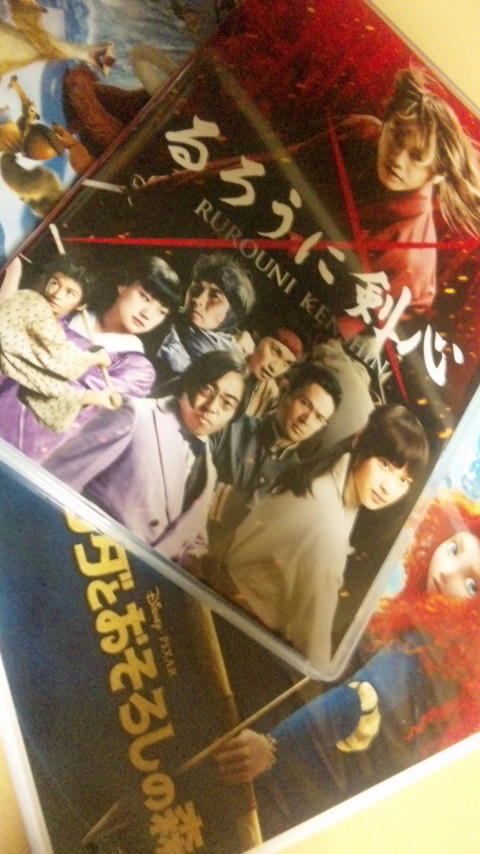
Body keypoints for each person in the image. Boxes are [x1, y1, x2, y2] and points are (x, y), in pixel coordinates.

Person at [214, 492, 480, 835]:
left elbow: (357, 699)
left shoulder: (421, 652)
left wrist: (273, 747)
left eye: (472, 585)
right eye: (454, 549)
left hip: (296, 776)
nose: (445, 572)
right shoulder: (427, 644)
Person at [223, 404, 429, 668]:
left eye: (403, 480)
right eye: (385, 465)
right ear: (360, 442)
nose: (389, 487)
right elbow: (313, 649)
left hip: (238, 609)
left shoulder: (329, 477)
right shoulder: (326, 524)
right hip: (238, 631)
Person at [44, 350, 247, 567]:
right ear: (191, 381)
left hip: (137, 579)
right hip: (79, 558)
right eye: (207, 389)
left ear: (233, 416)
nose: (212, 407)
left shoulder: (209, 470)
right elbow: (55, 479)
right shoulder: (135, 415)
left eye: (227, 403)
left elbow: (191, 537)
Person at [332, 67, 480, 339]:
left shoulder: (413, 261)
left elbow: (346, 334)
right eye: (397, 136)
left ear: (439, 174)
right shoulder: (360, 133)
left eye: (417, 156)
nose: (398, 159)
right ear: (386, 121)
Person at [0, 251, 181, 461]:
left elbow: (92, 413)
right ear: (123, 285)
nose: (147, 314)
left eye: (161, 311)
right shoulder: (65, 311)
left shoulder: (137, 369)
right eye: (145, 297)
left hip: (33, 453)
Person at [207, 362, 343, 558]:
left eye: (318, 417)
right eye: (305, 403)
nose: (306, 419)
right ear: (286, 393)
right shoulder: (231, 426)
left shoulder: (298, 482)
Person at [0, 253, 114, 433]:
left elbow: (36, 382)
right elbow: (61, 360)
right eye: (55, 283)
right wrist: (95, 358)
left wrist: (89, 398)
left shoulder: (53, 328)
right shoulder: (32, 303)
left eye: (70, 292)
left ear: (81, 305)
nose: (56, 294)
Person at [156, 251, 256, 384]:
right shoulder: (157, 319)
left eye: (215, 296)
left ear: (231, 314)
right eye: (196, 288)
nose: (198, 299)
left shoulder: (228, 369)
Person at [242, 327, 304, 417]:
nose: (274, 367)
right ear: (260, 341)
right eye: (275, 352)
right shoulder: (227, 359)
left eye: (286, 363)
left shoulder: (271, 395)